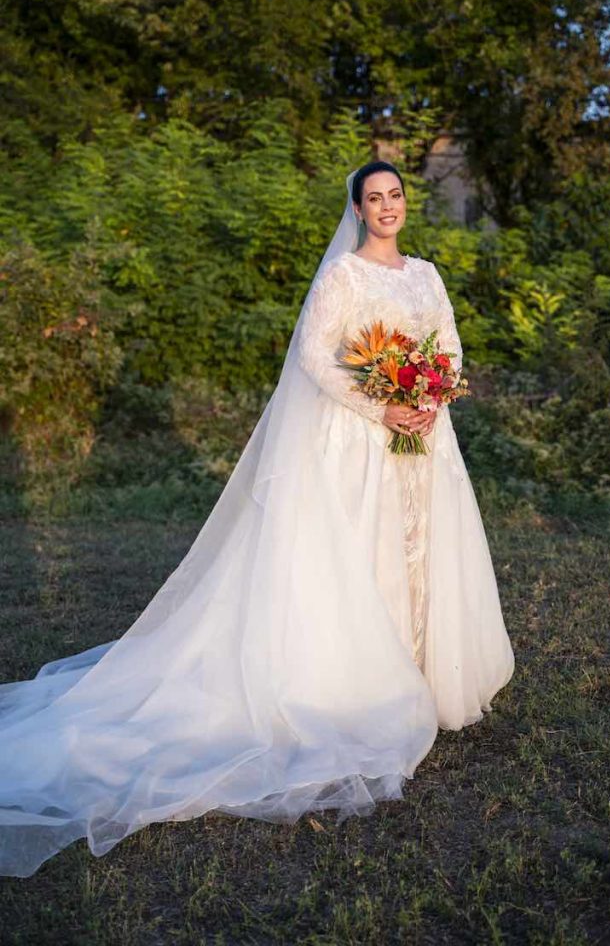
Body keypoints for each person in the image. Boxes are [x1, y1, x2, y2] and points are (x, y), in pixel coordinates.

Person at [0, 163, 514, 878]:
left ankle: (428, 674)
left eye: (396, 196)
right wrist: (381, 404)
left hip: (424, 438)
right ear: (359, 209)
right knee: (361, 557)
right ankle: (365, 685)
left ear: (405, 203)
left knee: (425, 552)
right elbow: (312, 357)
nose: (388, 207)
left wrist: (431, 393)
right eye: (375, 199)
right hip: (360, 439)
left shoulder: (425, 274)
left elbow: (450, 344)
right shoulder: (342, 276)